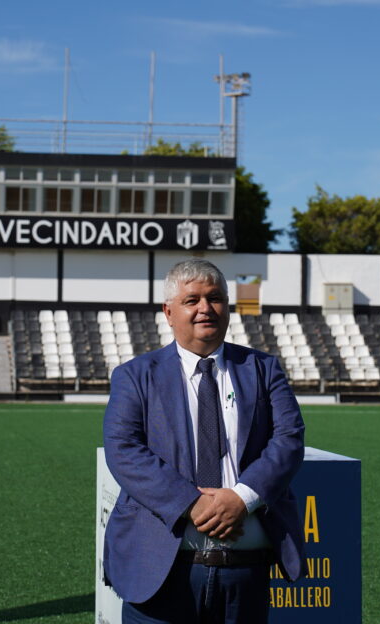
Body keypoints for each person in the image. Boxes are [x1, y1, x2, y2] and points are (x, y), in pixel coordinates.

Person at [103, 259, 305, 623]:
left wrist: (242, 498)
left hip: (245, 574)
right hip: (160, 572)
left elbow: (289, 439)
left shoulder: (263, 368)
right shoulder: (134, 375)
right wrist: (191, 504)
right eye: (191, 300)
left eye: (215, 298)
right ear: (169, 312)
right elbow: (124, 450)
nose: (205, 309)